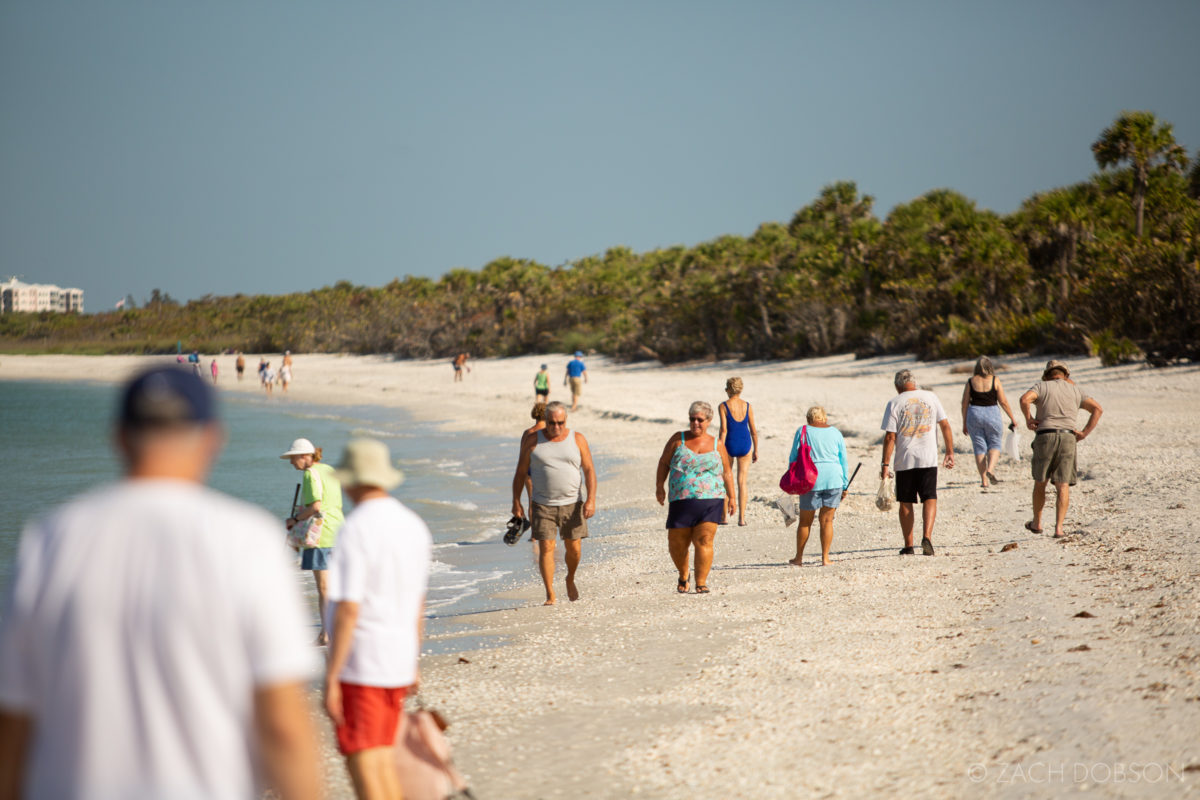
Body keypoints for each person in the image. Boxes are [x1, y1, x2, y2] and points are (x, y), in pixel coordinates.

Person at [0, 366, 320, 799]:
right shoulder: (248, 542)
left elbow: (15, 719)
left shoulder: (50, 540)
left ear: (118, 437)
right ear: (212, 439)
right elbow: (282, 723)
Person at [323, 438, 430, 800]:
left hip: (363, 662)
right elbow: (418, 603)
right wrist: (412, 662)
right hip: (398, 658)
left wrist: (333, 675)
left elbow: (349, 608)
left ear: (350, 480)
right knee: (382, 758)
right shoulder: (413, 525)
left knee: (365, 763)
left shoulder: (356, 529)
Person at [511, 401, 597, 605]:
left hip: (573, 503)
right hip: (543, 504)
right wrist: (517, 502)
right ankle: (550, 593)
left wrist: (591, 499)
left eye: (560, 422)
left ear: (565, 420)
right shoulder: (533, 441)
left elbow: (589, 470)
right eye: (551, 423)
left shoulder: (578, 439)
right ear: (545, 421)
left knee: (574, 549)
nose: (556, 427)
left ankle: (570, 578)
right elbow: (520, 473)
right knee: (547, 547)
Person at [655, 401, 735, 594]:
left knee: (705, 540)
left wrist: (732, 497)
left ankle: (701, 582)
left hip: (711, 500)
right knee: (676, 542)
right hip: (681, 500)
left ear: (709, 421)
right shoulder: (678, 439)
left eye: (700, 420)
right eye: (692, 419)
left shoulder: (718, 444)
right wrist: (659, 487)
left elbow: (726, 473)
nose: (695, 423)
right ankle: (684, 574)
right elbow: (664, 462)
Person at [1018, 360, 1103, 538]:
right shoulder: (1075, 390)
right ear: (1066, 376)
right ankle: (1059, 528)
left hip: (1045, 436)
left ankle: (1037, 523)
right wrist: (1084, 433)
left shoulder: (1041, 387)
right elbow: (1097, 409)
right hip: (1068, 437)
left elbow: (1024, 399)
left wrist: (1028, 418)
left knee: (1040, 482)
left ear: (1047, 376)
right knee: (1063, 485)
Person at [880, 369, 955, 556]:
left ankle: (909, 545)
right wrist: (950, 452)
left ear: (897, 386)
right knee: (929, 497)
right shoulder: (931, 397)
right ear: (915, 382)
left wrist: (885, 465)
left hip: (905, 459)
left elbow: (890, 437)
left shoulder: (894, 402)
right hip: (928, 456)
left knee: (906, 501)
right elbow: (945, 425)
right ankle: (927, 537)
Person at [281, 438, 345, 646]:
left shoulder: (310, 473)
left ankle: (327, 633)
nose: (291, 464)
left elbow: (316, 506)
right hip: (339, 529)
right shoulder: (329, 470)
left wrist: (294, 520)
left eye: (293, 459)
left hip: (321, 534)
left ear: (303, 456)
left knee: (324, 587)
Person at [787, 406, 850, 567]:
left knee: (805, 522)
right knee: (827, 521)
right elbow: (843, 459)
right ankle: (825, 558)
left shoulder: (803, 431)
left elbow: (794, 457)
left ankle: (799, 558)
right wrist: (845, 484)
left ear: (809, 419)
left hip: (810, 479)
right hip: (834, 478)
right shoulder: (836, 432)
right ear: (825, 418)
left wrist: (792, 479)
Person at [960, 356, 1018, 490]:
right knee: (995, 443)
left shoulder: (971, 381)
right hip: (992, 413)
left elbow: (964, 403)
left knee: (979, 446)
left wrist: (964, 423)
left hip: (974, 413)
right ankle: (990, 469)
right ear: (990, 366)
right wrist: (1012, 418)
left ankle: (984, 481)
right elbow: (1003, 401)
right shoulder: (995, 380)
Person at [717, 377, 759, 526]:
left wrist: (719, 448)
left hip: (729, 444)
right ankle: (742, 519)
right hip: (745, 444)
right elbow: (753, 430)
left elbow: (723, 430)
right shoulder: (747, 406)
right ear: (740, 390)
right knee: (742, 482)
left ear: (728, 390)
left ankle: (724, 517)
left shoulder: (723, 406)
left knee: (725, 479)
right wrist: (756, 450)